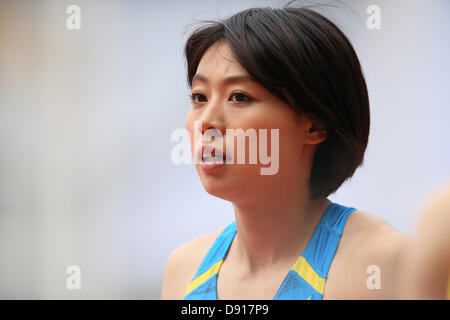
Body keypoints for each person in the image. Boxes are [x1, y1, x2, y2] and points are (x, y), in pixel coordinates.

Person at [162, 4, 410, 300]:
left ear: (315, 125)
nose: (207, 123)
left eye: (239, 97)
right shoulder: (184, 270)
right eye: (199, 97)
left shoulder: (386, 265)